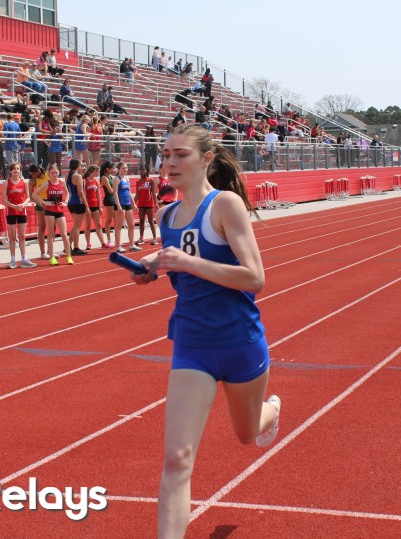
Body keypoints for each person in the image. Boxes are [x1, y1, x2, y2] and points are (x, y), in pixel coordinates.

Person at [128, 125, 279, 538]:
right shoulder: (166, 216)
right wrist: (151, 266)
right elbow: (178, 255)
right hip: (192, 345)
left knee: (246, 433)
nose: (170, 163)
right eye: (165, 155)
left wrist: (186, 263)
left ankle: (271, 411)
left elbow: (255, 277)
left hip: (239, 341)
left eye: (181, 155)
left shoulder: (225, 204)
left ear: (206, 159)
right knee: (177, 459)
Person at [32, 163, 74, 266]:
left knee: (64, 234)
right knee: (50, 234)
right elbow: (34, 194)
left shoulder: (62, 182)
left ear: (59, 172)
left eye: (56, 172)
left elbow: (68, 193)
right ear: (49, 174)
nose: (54, 174)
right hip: (50, 211)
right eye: (52, 173)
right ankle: (51, 258)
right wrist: (44, 202)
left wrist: (66, 202)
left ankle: (69, 257)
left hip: (59, 210)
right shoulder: (47, 183)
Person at [2, 162, 35, 269]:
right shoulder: (6, 183)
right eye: (14, 169)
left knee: (22, 236)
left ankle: (24, 258)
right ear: (10, 171)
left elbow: (28, 197)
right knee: (12, 237)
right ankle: (12, 260)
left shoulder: (24, 182)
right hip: (11, 211)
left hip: (21, 211)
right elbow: (3, 199)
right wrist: (13, 206)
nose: (16, 171)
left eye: (18, 169)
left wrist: (23, 204)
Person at [114, 161, 141, 252]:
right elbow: (115, 192)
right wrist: (118, 205)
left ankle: (131, 244)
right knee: (119, 226)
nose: (125, 169)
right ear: (119, 169)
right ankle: (118, 246)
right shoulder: (117, 178)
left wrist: (134, 203)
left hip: (127, 203)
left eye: (126, 168)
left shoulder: (127, 178)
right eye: (123, 168)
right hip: (120, 204)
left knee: (131, 225)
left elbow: (129, 192)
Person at [82, 165, 108, 250]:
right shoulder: (84, 181)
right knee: (88, 225)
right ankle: (88, 243)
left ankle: (103, 243)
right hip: (88, 205)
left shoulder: (96, 181)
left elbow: (98, 194)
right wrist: (86, 206)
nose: (98, 173)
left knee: (98, 225)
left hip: (95, 205)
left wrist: (100, 206)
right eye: (97, 171)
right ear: (92, 171)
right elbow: (83, 194)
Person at [66, 159, 88, 256]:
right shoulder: (77, 176)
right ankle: (76, 247)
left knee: (75, 225)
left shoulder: (68, 175)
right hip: (78, 202)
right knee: (77, 226)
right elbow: (80, 192)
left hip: (71, 202)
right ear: (78, 165)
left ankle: (68, 245)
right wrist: (86, 204)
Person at [135, 167, 158, 245]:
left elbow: (153, 193)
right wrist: (133, 203)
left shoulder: (150, 181)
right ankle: (141, 238)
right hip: (141, 204)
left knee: (151, 221)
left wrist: (156, 203)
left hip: (149, 203)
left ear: (146, 171)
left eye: (143, 170)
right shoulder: (137, 182)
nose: (142, 172)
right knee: (141, 221)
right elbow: (137, 195)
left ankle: (154, 238)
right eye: (141, 170)